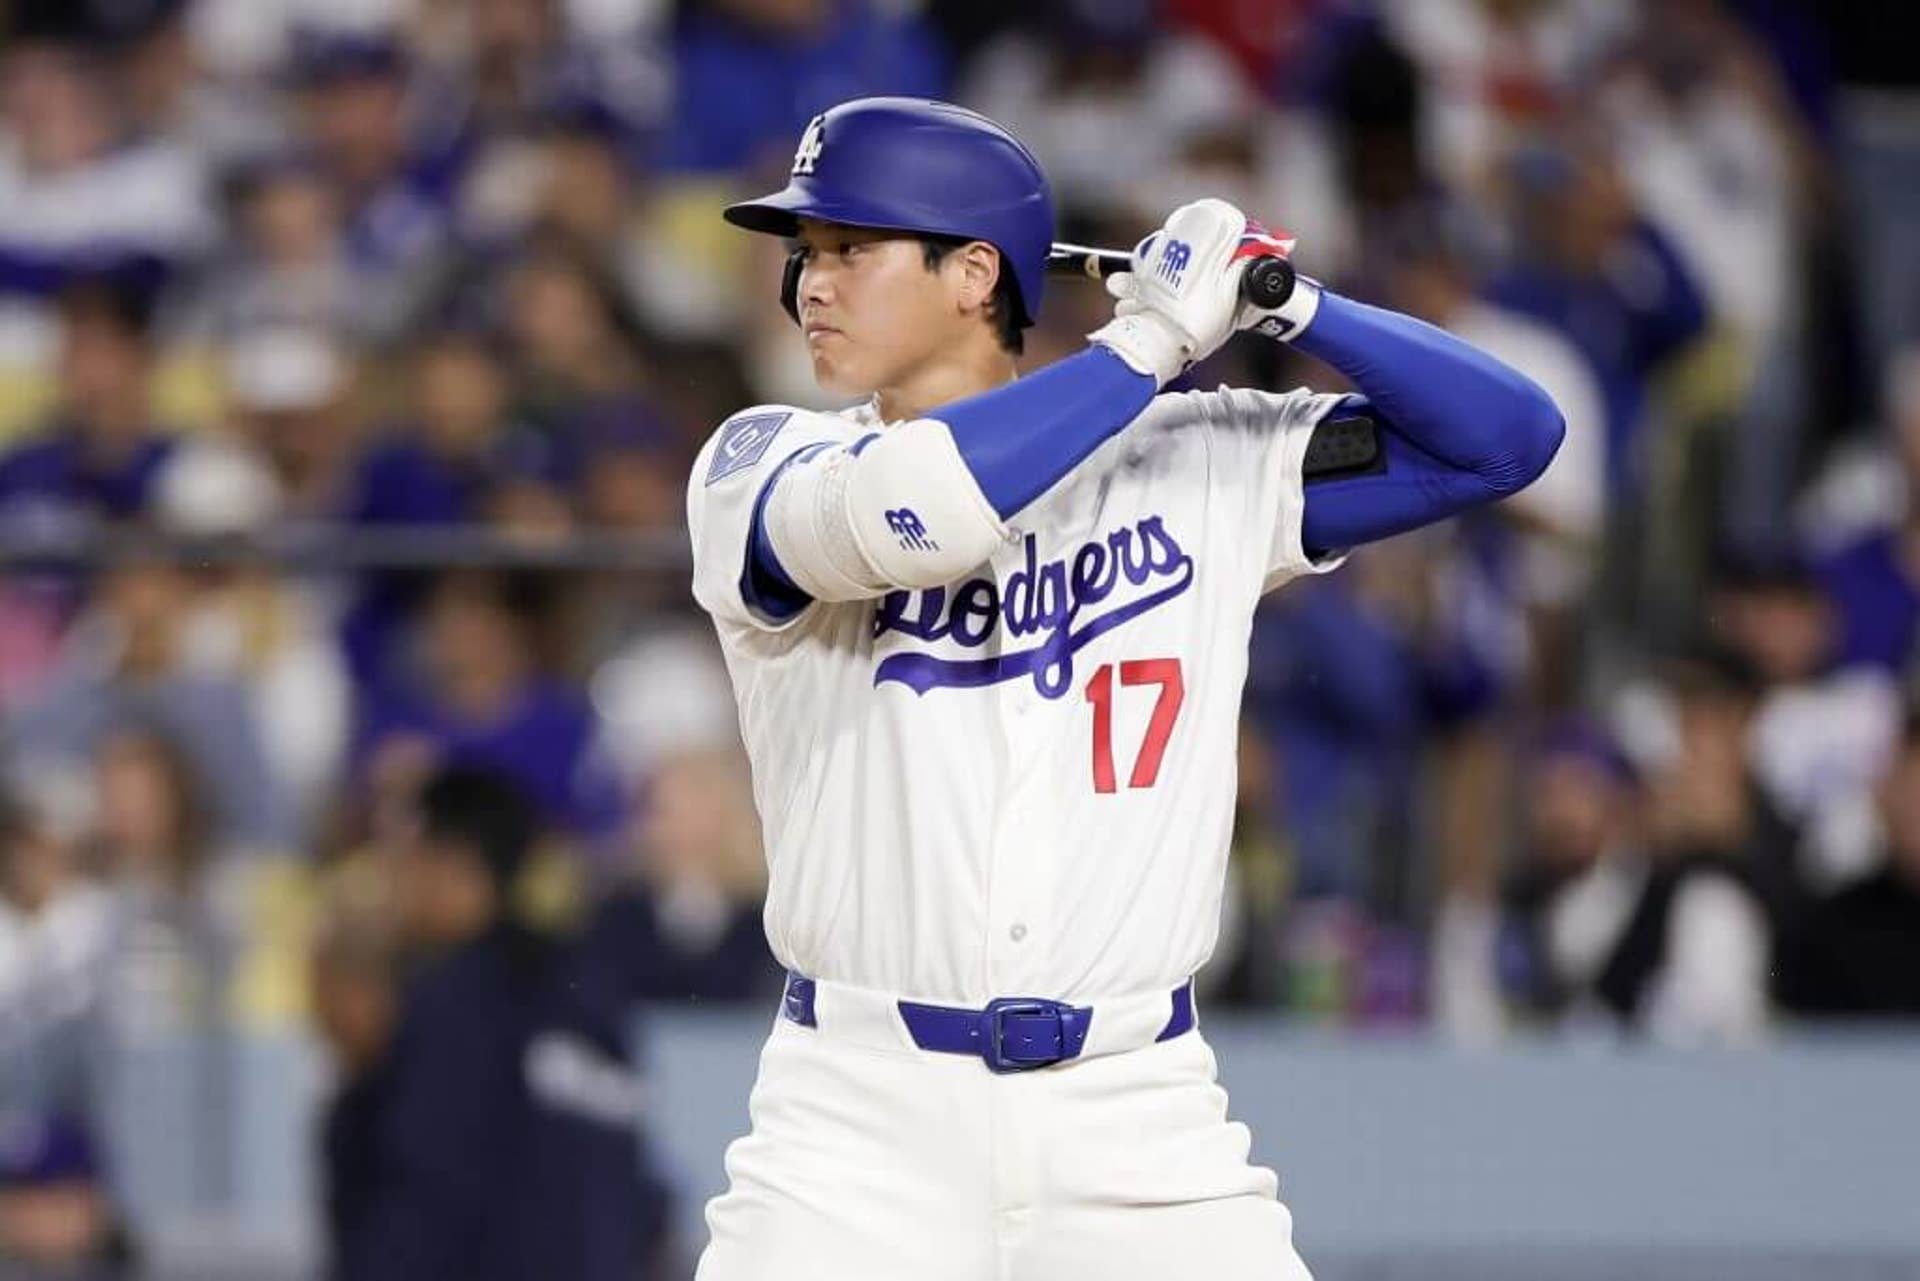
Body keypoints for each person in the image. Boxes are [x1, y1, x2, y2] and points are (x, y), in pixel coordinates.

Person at [684, 96, 1563, 1279]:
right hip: (856, 1124)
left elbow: (1507, 440)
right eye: (805, 255)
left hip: (1138, 1114)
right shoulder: (765, 462)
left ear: (974, 273)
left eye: (850, 249)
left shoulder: (1193, 456)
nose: (809, 286)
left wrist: (1286, 302)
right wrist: (1146, 343)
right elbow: (925, 513)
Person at [329, 764, 672, 1281]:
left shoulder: (445, 1002)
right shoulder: (589, 990)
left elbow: (422, 1203)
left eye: (403, 858)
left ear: (452, 865)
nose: (392, 880)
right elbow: (635, 1197)